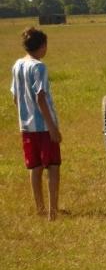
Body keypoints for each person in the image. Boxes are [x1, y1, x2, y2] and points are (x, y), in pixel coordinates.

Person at [11, 27, 62, 220]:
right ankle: (53, 211)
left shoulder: (17, 65)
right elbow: (41, 97)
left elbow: (15, 97)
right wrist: (52, 128)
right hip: (43, 126)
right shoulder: (39, 67)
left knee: (35, 168)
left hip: (26, 126)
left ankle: (40, 208)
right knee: (54, 166)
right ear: (42, 46)